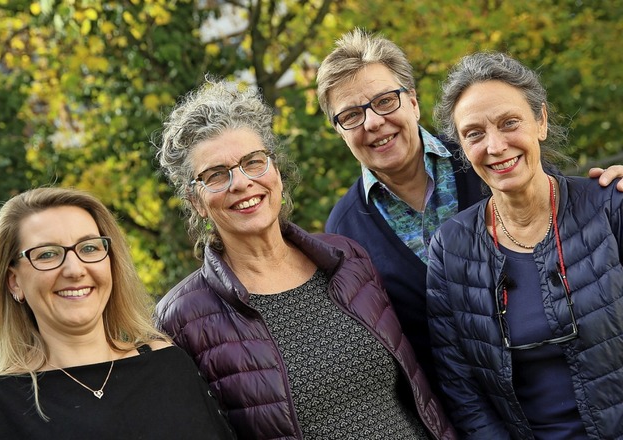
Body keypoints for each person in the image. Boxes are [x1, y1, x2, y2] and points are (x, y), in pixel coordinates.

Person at [316, 28, 623, 391]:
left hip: (560, 376)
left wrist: (607, 191)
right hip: (456, 407)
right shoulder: (343, 230)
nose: (372, 122)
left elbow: (570, 228)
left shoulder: (489, 154)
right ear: (339, 130)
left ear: (412, 101)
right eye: (351, 115)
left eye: (385, 101)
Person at [154, 78, 455, 440]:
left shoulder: (347, 259)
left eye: (253, 162)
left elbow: (418, 391)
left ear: (276, 171)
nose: (241, 182)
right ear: (196, 200)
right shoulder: (182, 317)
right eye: (216, 175)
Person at [426, 51, 623, 439]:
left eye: (509, 123)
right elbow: (462, 390)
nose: (496, 146)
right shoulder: (450, 249)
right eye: (475, 133)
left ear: (541, 122)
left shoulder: (610, 208)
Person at [0, 187, 236, 439]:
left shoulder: (168, 366)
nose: (75, 269)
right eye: (47, 254)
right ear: (14, 281)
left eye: (89, 248)